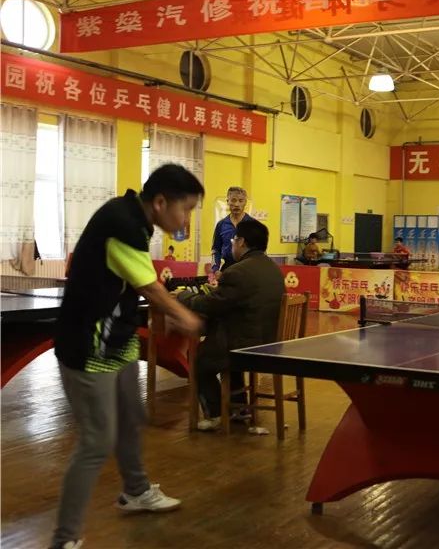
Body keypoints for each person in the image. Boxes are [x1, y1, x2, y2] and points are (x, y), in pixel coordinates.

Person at [51, 164, 205, 549]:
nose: (186, 219)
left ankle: (135, 491)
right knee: (96, 442)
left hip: (117, 340)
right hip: (89, 344)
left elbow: (132, 283)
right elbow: (150, 287)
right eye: (186, 209)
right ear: (161, 202)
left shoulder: (137, 220)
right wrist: (183, 315)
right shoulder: (122, 223)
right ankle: (65, 538)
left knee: (131, 419)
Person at [178, 220, 285, 431]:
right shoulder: (274, 270)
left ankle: (216, 414)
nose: (232, 243)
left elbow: (212, 305)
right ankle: (239, 409)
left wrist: (183, 296)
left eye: (234, 240)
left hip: (244, 347)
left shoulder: (238, 271)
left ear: (242, 242)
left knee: (199, 359)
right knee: (222, 353)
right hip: (269, 345)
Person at [211, 186, 253, 274]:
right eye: (233, 200)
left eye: (241, 201)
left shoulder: (253, 224)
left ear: (245, 202)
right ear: (228, 201)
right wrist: (215, 269)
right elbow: (216, 250)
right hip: (227, 269)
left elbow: (260, 252)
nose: (237, 204)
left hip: (248, 270)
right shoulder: (221, 225)